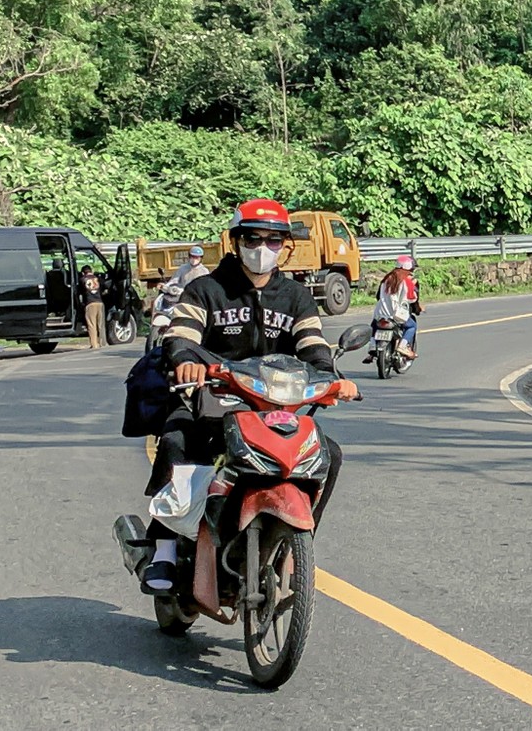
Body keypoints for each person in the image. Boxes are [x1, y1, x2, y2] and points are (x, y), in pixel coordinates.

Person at [140, 198, 359, 595]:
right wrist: (187, 361)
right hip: (209, 397)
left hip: (273, 406)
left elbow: (312, 344)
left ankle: (296, 545)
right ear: (235, 241)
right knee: (177, 441)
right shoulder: (205, 290)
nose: (263, 249)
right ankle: (165, 547)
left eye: (274, 241)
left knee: (330, 453)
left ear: (285, 247)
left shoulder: (295, 297)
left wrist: (332, 378)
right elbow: (182, 335)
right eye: (254, 239)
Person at [371, 255, 421, 360]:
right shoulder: (407, 281)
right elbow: (412, 298)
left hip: (380, 313)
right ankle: (402, 346)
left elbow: (378, 296)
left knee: (374, 326)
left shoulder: (386, 279)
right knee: (412, 326)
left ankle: (372, 346)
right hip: (397, 315)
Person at [81, 268, 106, 349]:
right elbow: (104, 286)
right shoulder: (98, 278)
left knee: (92, 325)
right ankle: (103, 343)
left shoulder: (83, 279)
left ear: (83, 272)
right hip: (100, 302)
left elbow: (80, 291)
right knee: (101, 324)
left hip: (90, 303)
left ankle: (94, 344)